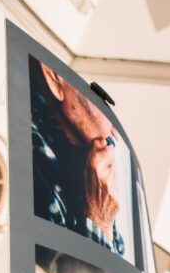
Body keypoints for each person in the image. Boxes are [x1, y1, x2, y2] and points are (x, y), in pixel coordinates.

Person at [30, 58, 126, 255]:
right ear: (54, 78)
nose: (114, 133)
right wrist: (100, 221)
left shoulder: (81, 162)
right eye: (106, 108)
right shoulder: (35, 156)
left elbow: (119, 251)